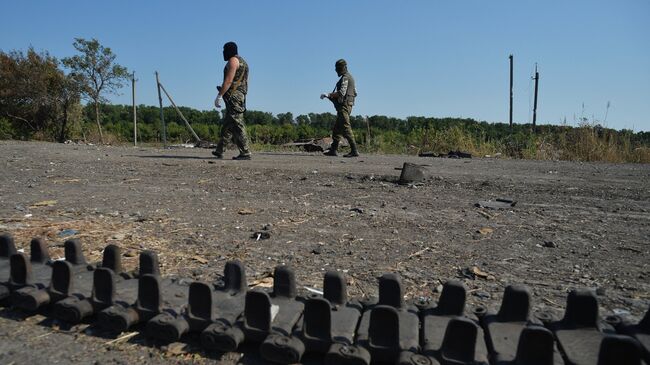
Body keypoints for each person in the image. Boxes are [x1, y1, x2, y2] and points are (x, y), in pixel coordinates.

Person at [212, 41, 251, 160]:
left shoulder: (233, 61)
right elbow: (246, 82)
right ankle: (220, 150)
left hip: (233, 96)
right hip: (239, 95)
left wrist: (219, 95)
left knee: (237, 123)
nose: (223, 53)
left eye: (224, 50)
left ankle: (245, 152)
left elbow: (228, 81)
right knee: (228, 125)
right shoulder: (244, 62)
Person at [320, 59, 359, 157]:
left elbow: (342, 92)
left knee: (346, 127)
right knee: (337, 129)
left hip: (344, 106)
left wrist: (329, 94)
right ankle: (333, 150)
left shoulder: (345, 78)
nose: (336, 71)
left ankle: (354, 150)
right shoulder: (351, 78)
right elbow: (355, 92)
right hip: (348, 105)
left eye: (338, 68)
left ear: (343, 68)